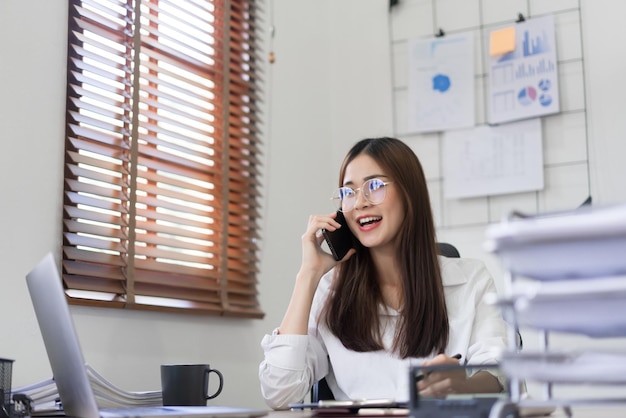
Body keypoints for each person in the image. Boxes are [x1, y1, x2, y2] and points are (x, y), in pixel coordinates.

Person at [258, 137, 508, 410]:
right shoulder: (329, 288)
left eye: (374, 186)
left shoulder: (472, 279)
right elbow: (279, 393)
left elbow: (499, 375)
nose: (360, 203)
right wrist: (307, 275)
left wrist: (461, 385)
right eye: (348, 192)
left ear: (409, 194)